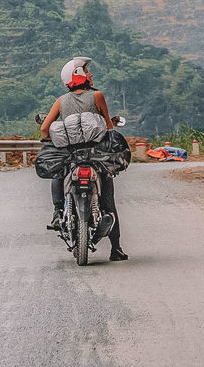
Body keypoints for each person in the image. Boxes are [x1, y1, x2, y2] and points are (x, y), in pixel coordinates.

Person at [40, 55, 127, 261]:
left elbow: (45, 129)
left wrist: (52, 139)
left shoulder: (60, 102)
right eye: (87, 71)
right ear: (79, 75)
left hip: (72, 156)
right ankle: (116, 249)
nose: (91, 74)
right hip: (95, 156)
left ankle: (56, 213)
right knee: (108, 202)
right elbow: (108, 126)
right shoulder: (97, 96)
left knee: (58, 172)